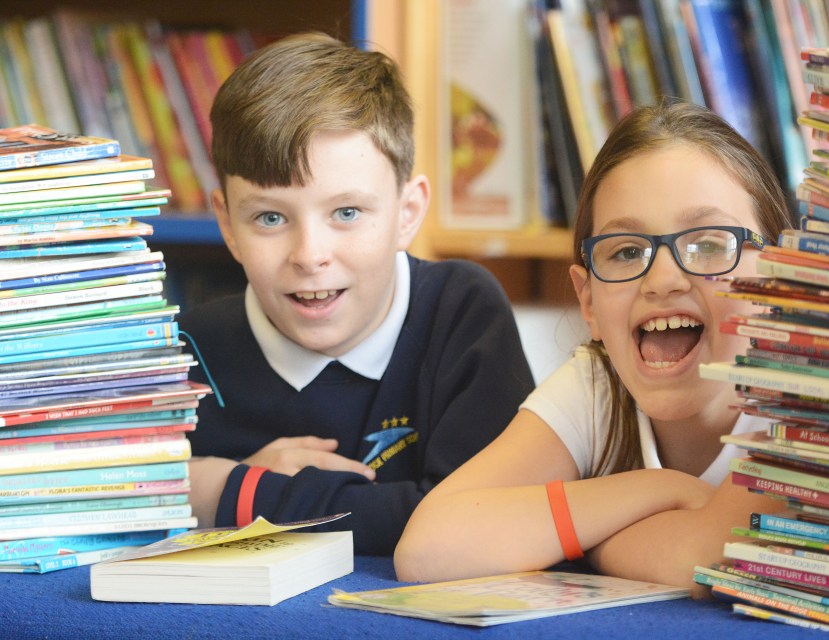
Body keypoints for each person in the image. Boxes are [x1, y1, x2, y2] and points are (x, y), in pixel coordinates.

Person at [394, 101, 795, 588]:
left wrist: (587, 542)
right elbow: (427, 548)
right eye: (626, 252)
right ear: (589, 301)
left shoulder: (805, 399)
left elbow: (710, 555)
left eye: (709, 244)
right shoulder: (597, 386)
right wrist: (658, 489)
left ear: (780, 275)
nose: (663, 278)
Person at [180, 32, 536, 555]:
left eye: (346, 212)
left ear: (406, 213)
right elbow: (103, 508)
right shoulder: (184, 353)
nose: (310, 254)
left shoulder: (461, 312)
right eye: (270, 217)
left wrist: (220, 489)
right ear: (228, 224)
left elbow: (482, 521)